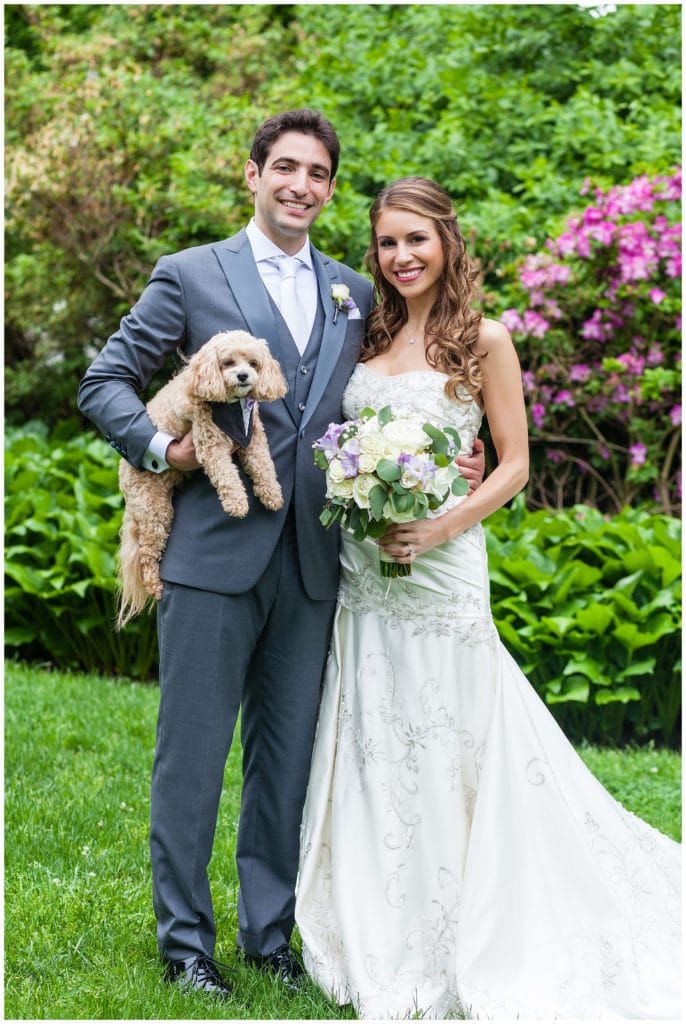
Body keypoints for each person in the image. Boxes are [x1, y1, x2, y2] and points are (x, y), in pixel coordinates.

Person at [77, 109, 486, 1000]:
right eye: (286, 168)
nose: (303, 185)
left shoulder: (353, 290)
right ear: (253, 174)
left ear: (332, 188)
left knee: (287, 763)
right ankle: (187, 946)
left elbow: (393, 398)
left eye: (319, 174)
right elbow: (102, 380)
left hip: (315, 566)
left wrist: (460, 454)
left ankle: (269, 937)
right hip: (211, 559)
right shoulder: (190, 275)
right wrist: (164, 451)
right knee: (191, 758)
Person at [295, 177, 681, 1019]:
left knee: (459, 726)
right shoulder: (363, 335)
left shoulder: (487, 340)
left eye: (417, 240)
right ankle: (382, 901)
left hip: (443, 568)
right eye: (388, 243)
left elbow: (514, 464)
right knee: (378, 728)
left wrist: (443, 523)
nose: (401, 257)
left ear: (448, 242)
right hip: (366, 577)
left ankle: (479, 907)